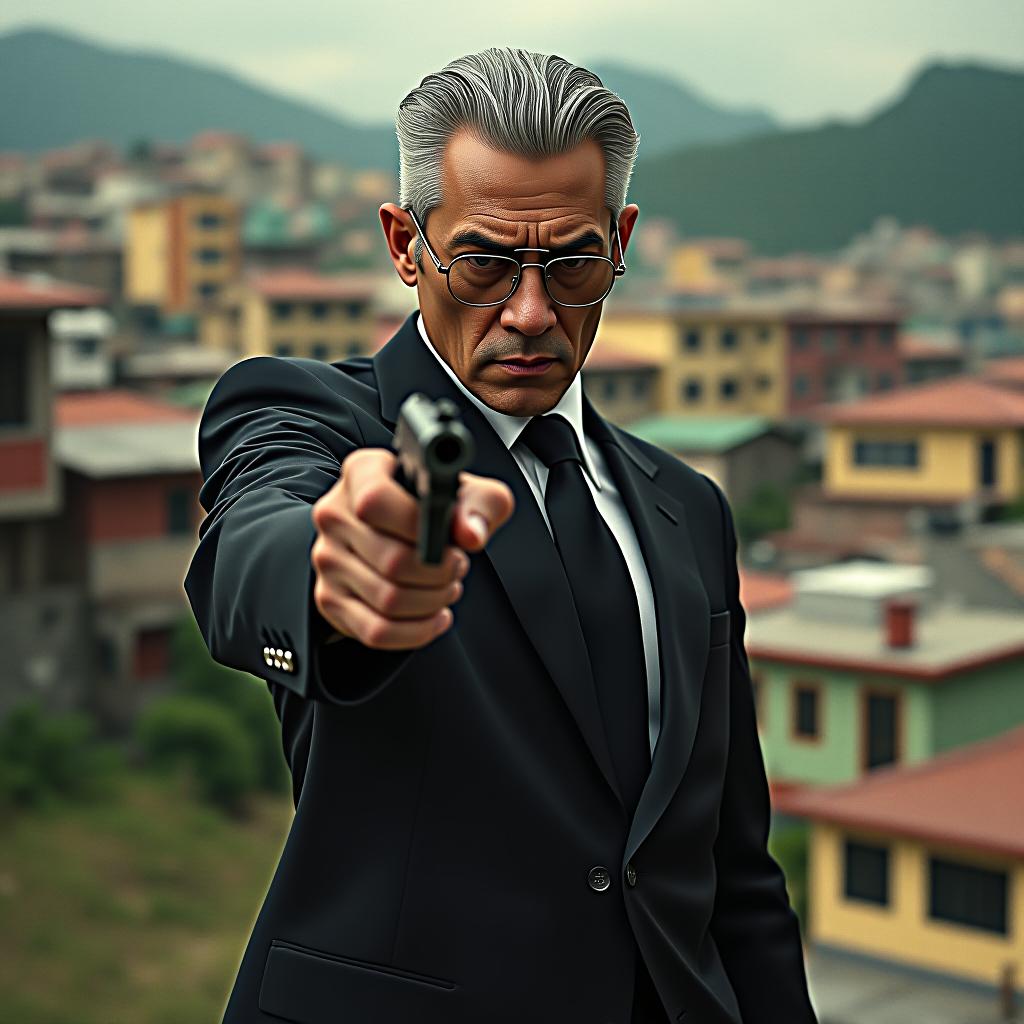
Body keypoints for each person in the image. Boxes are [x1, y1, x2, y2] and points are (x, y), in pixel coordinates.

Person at [184, 47, 819, 1024]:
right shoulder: (308, 414)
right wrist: (337, 572)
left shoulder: (688, 508)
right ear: (405, 245)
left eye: (571, 262)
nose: (530, 312)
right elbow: (260, 538)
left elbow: (730, 871)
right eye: (483, 261)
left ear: (622, 241)